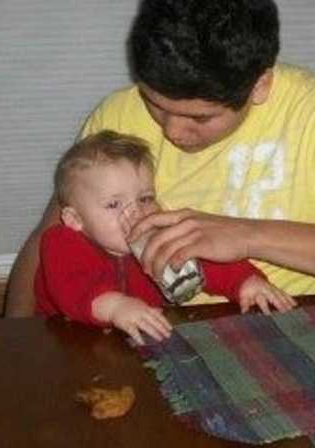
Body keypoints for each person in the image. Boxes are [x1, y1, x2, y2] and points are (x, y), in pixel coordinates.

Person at [6, 0, 315, 317]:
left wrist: (246, 235)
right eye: (155, 103)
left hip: (285, 325)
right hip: (146, 326)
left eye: (200, 117)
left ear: (260, 85)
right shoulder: (117, 114)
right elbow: (49, 241)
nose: (172, 131)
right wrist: (17, 350)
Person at [35, 130, 296, 343]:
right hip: (72, 338)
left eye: (145, 199)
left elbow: (204, 261)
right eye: (114, 205)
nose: (135, 212)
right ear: (75, 219)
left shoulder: (159, 235)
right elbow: (72, 289)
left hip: (146, 332)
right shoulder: (60, 242)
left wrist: (244, 282)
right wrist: (116, 308)